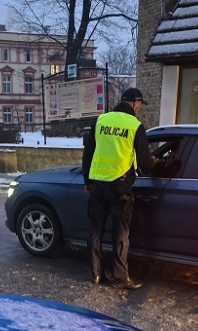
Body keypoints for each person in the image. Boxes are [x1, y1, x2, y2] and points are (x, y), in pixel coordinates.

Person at [82, 87, 160, 290]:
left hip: (98, 185)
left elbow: (88, 153)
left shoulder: (101, 121)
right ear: (135, 103)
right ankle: (119, 277)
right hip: (120, 186)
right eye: (140, 105)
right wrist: (157, 162)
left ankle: (96, 273)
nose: (139, 109)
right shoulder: (135, 126)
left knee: (95, 231)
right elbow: (143, 161)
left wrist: (87, 181)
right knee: (120, 233)